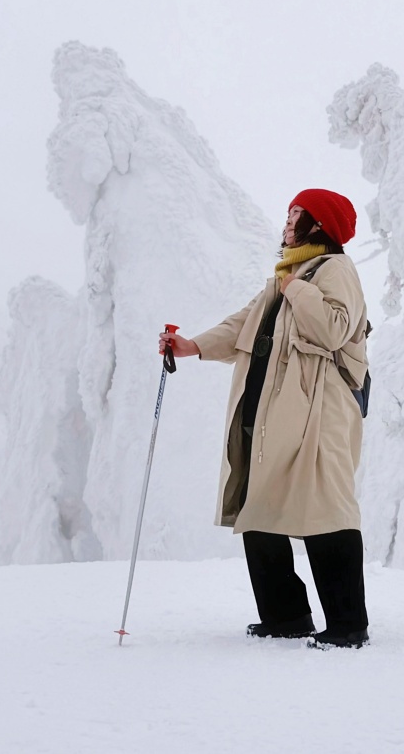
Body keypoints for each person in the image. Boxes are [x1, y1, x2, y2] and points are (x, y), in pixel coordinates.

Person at [159, 189, 371, 649]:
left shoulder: (334, 269)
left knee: (327, 510)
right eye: (289, 213)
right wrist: (194, 346)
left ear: (319, 225)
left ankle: (348, 625)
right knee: (258, 507)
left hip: (321, 415)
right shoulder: (288, 276)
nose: (288, 221)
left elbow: (334, 328)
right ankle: (286, 616)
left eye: (297, 214)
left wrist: (296, 288)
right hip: (276, 414)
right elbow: (244, 323)